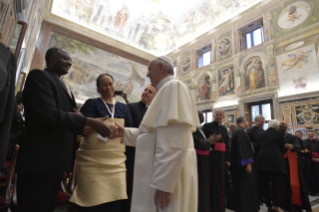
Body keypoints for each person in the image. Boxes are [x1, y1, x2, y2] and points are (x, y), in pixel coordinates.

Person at [15, 48, 112, 212]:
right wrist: (87, 120)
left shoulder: (62, 85)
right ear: (51, 59)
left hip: (56, 162)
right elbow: (47, 113)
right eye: (65, 59)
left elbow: (69, 116)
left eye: (70, 59)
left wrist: (81, 118)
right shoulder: (39, 76)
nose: (70, 62)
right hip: (39, 161)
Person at [115, 56, 200, 212]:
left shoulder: (173, 87)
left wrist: (164, 183)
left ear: (161, 68)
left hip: (169, 177)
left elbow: (175, 141)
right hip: (164, 173)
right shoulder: (166, 90)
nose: (147, 75)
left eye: (149, 69)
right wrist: (124, 133)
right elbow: (152, 135)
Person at [70, 73, 133, 211]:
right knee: (91, 200)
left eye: (110, 83)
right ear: (98, 88)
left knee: (114, 200)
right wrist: (102, 128)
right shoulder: (92, 103)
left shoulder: (124, 107)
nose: (108, 87)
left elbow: (128, 131)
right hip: (92, 161)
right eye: (104, 85)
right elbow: (82, 128)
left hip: (116, 162)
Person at [122, 85, 156, 212]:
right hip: (132, 155)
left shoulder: (155, 112)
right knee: (130, 186)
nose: (146, 92)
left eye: (150, 91)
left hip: (148, 157)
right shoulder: (131, 107)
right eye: (145, 90)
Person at [227, 117, 259, 212]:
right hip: (242, 166)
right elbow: (242, 148)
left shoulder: (238, 131)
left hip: (239, 165)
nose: (247, 124)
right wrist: (247, 163)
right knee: (245, 186)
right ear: (244, 121)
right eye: (247, 122)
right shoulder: (240, 131)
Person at [278, 122, 311, 212]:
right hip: (279, 164)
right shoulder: (276, 136)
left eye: (281, 127)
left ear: (285, 128)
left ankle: (293, 204)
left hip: (290, 164)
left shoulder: (292, 137)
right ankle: (282, 204)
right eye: (278, 127)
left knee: (291, 184)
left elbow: (299, 147)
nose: (279, 128)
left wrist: (292, 147)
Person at [202, 109, 230, 212]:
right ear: (214, 116)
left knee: (221, 183)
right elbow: (204, 141)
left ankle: (220, 207)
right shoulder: (207, 126)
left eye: (220, 115)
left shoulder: (223, 128)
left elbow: (227, 145)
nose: (218, 116)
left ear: (223, 117)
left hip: (222, 159)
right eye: (216, 115)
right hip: (212, 158)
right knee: (213, 182)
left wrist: (228, 159)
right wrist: (211, 141)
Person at [256, 120, 286, 212]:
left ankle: (269, 206)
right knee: (276, 185)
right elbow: (283, 148)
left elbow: (258, 147)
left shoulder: (261, 134)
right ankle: (277, 206)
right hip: (275, 162)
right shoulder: (279, 134)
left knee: (265, 185)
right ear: (277, 127)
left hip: (262, 162)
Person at [193, 110, 219, 212]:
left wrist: (211, 141)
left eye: (202, 115)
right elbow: (194, 142)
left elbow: (207, 142)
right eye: (200, 115)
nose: (202, 117)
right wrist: (209, 141)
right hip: (197, 161)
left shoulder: (199, 129)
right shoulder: (192, 128)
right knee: (200, 188)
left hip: (204, 160)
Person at [304, 130, 319, 195]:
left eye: (311, 134)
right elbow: (304, 152)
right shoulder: (304, 142)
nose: (310, 135)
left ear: (313, 135)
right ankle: (313, 191)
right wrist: (311, 158)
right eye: (309, 134)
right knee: (311, 177)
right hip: (309, 162)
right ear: (306, 135)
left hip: (318, 161)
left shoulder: (317, 141)